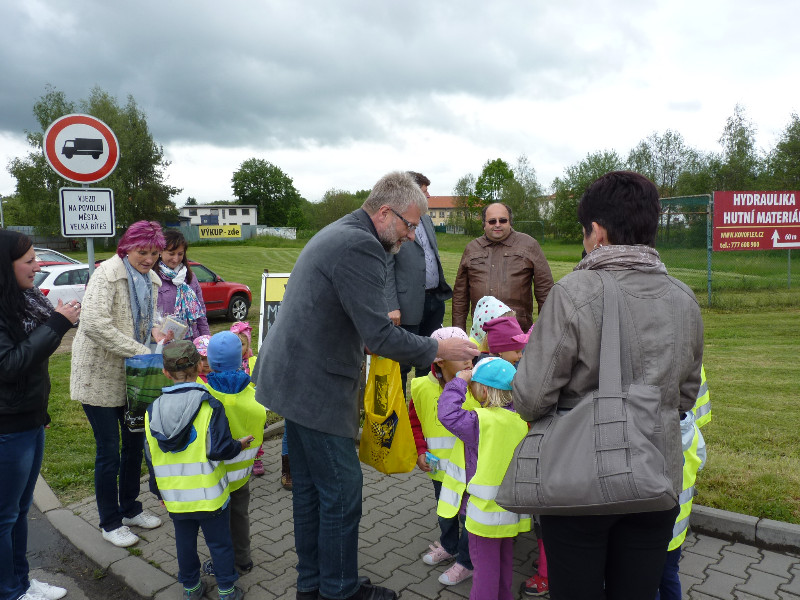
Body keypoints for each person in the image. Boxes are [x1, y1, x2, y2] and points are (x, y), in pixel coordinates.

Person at [251, 171, 478, 600]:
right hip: (314, 387)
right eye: (410, 225)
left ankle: (313, 585)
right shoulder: (361, 245)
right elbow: (379, 338)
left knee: (311, 489)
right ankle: (339, 589)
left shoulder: (343, 231)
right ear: (386, 213)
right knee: (342, 490)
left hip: (292, 379)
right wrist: (439, 348)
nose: (411, 236)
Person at [513, 171, 704, 599]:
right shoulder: (684, 297)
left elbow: (530, 398)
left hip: (580, 480)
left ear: (596, 232)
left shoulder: (574, 292)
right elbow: (686, 395)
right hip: (656, 476)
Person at [70, 221, 169, 548]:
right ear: (127, 248)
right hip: (98, 377)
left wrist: (155, 332)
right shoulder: (107, 275)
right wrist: (142, 350)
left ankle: (130, 509)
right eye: (143, 252)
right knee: (109, 452)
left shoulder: (151, 279)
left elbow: (140, 320)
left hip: (133, 378)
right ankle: (110, 522)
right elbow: (94, 324)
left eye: (154, 253)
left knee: (133, 447)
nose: (149, 259)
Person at [0, 230, 79, 600]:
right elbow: (9, 365)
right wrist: (57, 324)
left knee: (19, 510)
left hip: (31, 418)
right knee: (5, 516)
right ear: (6, 265)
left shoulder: (24, 299)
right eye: (29, 261)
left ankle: (22, 581)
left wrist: (41, 412)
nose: (37, 265)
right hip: (7, 426)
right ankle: (10, 590)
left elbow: (31, 366)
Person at [145, 340, 253, 600]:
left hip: (175, 497)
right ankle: (227, 590)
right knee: (219, 543)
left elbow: (149, 456)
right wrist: (239, 445)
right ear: (199, 367)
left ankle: (191, 588)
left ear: (166, 372)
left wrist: (158, 492)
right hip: (209, 495)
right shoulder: (209, 405)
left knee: (184, 543)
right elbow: (220, 449)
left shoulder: (152, 410)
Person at [438, 358, 531, 600]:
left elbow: (447, 413)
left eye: (473, 387)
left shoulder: (480, 422)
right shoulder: (520, 420)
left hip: (483, 511)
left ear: (485, 391)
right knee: (503, 561)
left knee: (484, 569)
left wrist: (459, 382)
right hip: (510, 508)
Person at [408, 327, 476, 586]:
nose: (469, 361)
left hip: (471, 470)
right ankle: (449, 546)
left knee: (468, 517)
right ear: (440, 360)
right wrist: (420, 451)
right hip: (440, 471)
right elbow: (415, 423)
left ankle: (467, 562)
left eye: (471, 354)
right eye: (461, 355)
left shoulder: (478, 385)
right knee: (445, 511)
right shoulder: (421, 388)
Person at [200, 331, 266, 578]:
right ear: (241, 358)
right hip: (242, 475)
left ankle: (222, 564)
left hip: (213, 476)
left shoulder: (204, 395)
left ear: (209, 360)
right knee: (239, 516)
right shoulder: (254, 396)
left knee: (217, 521)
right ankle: (243, 559)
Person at [384, 171, 452, 395]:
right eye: (424, 191)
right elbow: (387, 267)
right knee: (403, 363)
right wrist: (392, 305)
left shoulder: (427, 220)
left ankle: (423, 407)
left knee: (430, 359)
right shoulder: (394, 223)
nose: (429, 196)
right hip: (406, 307)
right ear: (411, 192)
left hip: (433, 301)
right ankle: (400, 411)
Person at [452, 202, 554, 334]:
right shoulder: (472, 249)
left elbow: (545, 291)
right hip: (482, 332)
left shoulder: (529, 245)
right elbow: (460, 296)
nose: (497, 224)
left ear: (510, 222)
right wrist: (458, 333)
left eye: (503, 220)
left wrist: (546, 332)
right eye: (492, 221)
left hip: (518, 331)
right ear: (484, 224)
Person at [657, 366, 710, 600]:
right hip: (678, 517)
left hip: (651, 519)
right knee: (668, 573)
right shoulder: (691, 357)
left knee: (648, 579)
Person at [156, 229, 210, 340]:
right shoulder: (153, 278)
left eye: (180, 254)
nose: (176, 259)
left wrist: (206, 339)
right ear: (160, 251)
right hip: (165, 342)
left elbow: (201, 315)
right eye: (171, 254)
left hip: (192, 340)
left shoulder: (190, 277)